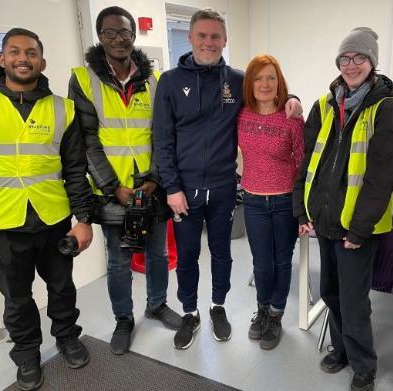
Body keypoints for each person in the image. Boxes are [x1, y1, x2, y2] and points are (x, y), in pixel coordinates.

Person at [153, 8, 302, 350]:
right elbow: (162, 139)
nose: (209, 42)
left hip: (223, 187)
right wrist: (172, 188)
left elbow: (271, 95)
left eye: (215, 36)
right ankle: (190, 312)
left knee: (222, 254)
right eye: (202, 35)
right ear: (190, 38)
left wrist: (293, 98)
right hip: (185, 191)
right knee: (188, 256)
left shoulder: (236, 81)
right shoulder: (171, 82)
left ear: (225, 40)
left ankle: (218, 307)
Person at [0, 28, 94, 390]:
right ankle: (26, 355)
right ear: (1, 59)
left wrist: (83, 219)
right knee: (16, 298)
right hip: (2, 223)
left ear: (42, 61)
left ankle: (68, 337)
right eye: (14, 51)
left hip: (53, 219)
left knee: (61, 287)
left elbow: (75, 169)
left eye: (31, 52)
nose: (23, 58)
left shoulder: (62, 108)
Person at [293, 27, 393, 391]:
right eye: (345, 58)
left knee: (354, 302)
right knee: (331, 292)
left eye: (359, 58)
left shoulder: (385, 106)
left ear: (372, 62)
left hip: (358, 225)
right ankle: (341, 348)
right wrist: (302, 211)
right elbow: (307, 161)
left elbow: (382, 175)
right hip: (324, 218)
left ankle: (363, 366)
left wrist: (359, 229)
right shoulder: (324, 105)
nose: (351, 64)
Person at [68, 6, 181, 356]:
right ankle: (123, 319)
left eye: (125, 33)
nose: (119, 39)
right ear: (99, 37)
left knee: (158, 253)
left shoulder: (154, 81)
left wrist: (154, 179)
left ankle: (157, 304)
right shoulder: (83, 79)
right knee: (118, 260)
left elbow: (164, 135)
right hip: (112, 191)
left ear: (134, 36)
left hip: (152, 187)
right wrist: (112, 186)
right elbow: (86, 141)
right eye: (110, 33)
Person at [238, 54, 304, 350]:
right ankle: (262, 310)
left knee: (282, 261)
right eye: (258, 78)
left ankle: (276, 316)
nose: (264, 84)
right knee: (262, 264)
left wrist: (304, 212)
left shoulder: (292, 117)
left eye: (271, 78)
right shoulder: (241, 114)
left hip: (284, 202)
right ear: (249, 84)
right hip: (252, 201)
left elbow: (303, 165)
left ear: (280, 83)